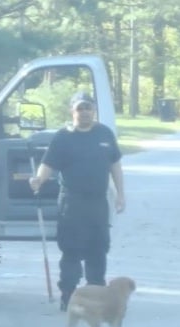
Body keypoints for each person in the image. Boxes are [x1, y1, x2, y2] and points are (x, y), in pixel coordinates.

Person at [29, 91, 126, 311]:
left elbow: (115, 166)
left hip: (98, 202)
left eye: (88, 108)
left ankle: (96, 293)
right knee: (71, 250)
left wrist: (120, 195)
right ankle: (69, 295)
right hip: (72, 203)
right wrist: (39, 179)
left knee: (98, 249)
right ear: (72, 111)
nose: (84, 113)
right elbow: (48, 164)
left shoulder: (104, 134)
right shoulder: (64, 137)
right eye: (80, 108)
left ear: (94, 110)